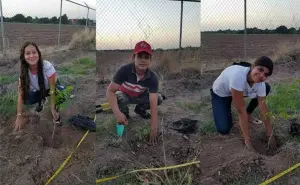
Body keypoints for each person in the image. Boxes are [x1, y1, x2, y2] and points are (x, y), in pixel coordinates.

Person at [210, 56, 277, 151]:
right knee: (224, 129)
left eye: (266, 74)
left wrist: (270, 134)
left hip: (239, 90)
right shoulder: (238, 76)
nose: (262, 75)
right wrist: (247, 140)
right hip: (221, 94)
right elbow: (241, 111)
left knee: (266, 88)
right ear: (253, 66)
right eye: (260, 69)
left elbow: (263, 108)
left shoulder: (260, 84)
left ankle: (248, 114)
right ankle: (224, 107)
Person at [106, 40, 163, 145]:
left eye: (146, 57)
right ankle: (124, 115)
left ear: (150, 60)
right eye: (140, 56)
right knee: (119, 98)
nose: (143, 60)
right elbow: (110, 91)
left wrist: (154, 127)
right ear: (133, 58)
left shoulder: (153, 78)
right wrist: (117, 113)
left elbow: (153, 103)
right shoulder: (124, 70)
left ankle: (140, 109)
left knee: (159, 98)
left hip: (140, 96)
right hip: (125, 95)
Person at [14, 41, 63, 132]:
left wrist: (52, 109)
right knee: (26, 99)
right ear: (24, 57)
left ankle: (55, 108)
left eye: (34, 52)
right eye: (28, 53)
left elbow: (52, 89)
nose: (31, 56)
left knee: (62, 96)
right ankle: (42, 99)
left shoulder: (47, 66)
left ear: (38, 54)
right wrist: (19, 115)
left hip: (52, 87)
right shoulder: (23, 72)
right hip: (40, 89)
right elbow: (20, 94)